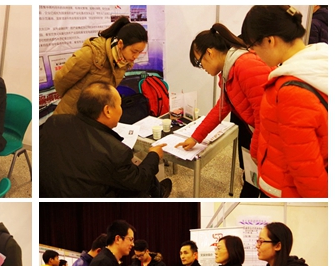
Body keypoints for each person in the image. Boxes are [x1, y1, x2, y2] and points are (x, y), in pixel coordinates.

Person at [241, 5, 328, 198]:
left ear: (269, 40)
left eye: (253, 46)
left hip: (288, 190)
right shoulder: (318, 63)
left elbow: (307, 173)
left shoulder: (291, 91)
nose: (254, 53)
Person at [176, 23, 272, 198]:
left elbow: (265, 116)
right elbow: (221, 108)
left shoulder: (245, 65)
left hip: (273, 140)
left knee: (268, 190)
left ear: (210, 53)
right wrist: (195, 137)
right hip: (263, 137)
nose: (203, 68)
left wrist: (256, 149)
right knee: (252, 184)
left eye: (199, 62)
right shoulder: (229, 71)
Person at [40, 81, 171, 198]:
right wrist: (154, 155)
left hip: (48, 194)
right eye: (119, 105)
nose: (121, 110)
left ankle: (158, 191)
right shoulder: (115, 151)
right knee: (141, 180)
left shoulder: (54, 122)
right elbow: (139, 181)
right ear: (107, 111)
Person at [53, 16, 147, 115]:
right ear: (120, 44)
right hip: (70, 113)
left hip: (93, 115)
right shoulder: (91, 54)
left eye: (140, 52)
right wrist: (72, 100)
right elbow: (61, 81)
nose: (136, 56)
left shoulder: (123, 62)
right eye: (134, 51)